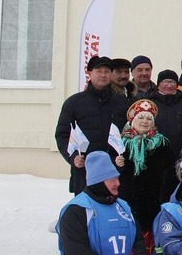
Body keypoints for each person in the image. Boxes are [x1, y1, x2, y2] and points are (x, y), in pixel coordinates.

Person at [54, 55, 129, 194]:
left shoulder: (122, 103)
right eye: (99, 71)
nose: (103, 75)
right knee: (86, 212)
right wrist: (73, 157)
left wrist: (122, 158)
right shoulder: (74, 103)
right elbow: (63, 135)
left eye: (107, 71)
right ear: (89, 73)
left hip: (115, 170)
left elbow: (129, 134)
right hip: (85, 171)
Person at [116, 98, 175, 235]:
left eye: (149, 119)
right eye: (141, 117)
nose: (145, 121)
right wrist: (116, 163)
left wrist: (164, 197)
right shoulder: (119, 143)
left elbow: (170, 172)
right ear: (132, 120)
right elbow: (109, 172)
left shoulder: (161, 143)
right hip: (126, 198)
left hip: (153, 199)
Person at [151, 68, 182, 159]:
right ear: (158, 84)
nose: (169, 85)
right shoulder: (150, 105)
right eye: (166, 82)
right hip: (155, 157)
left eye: (172, 82)